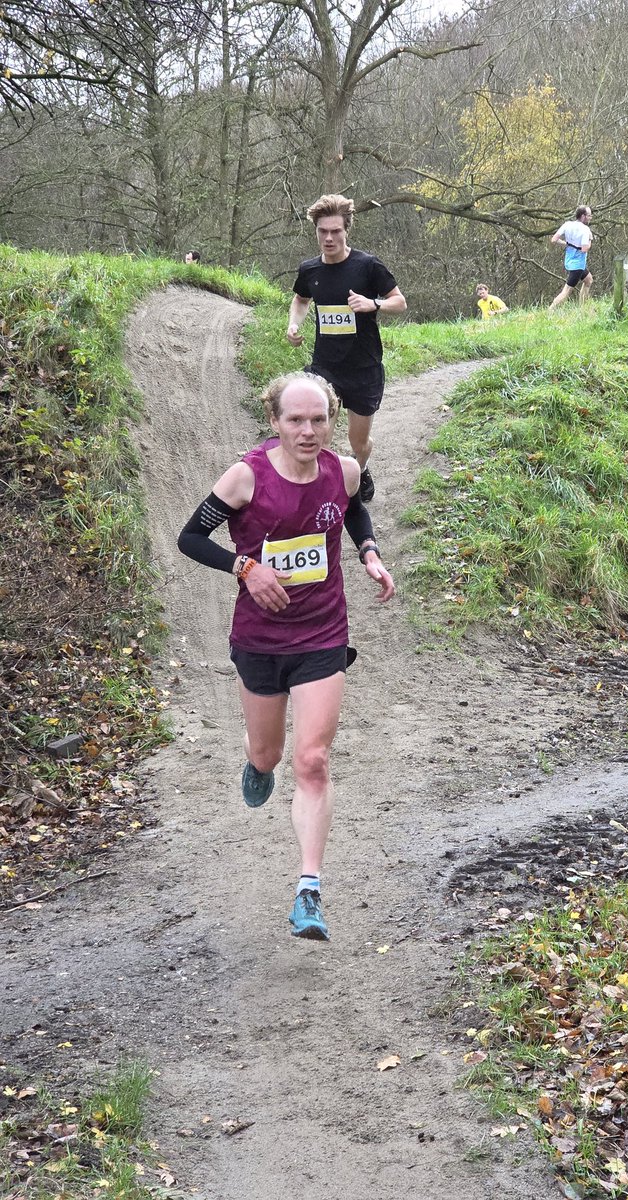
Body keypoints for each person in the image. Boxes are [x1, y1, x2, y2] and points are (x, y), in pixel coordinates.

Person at [177, 372, 394, 943]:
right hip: (261, 640)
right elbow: (190, 539)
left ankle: (308, 890)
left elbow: (352, 511)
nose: (308, 430)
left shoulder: (343, 469)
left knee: (314, 760)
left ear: (331, 419)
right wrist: (245, 569)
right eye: (296, 420)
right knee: (271, 755)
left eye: (319, 419)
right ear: (275, 423)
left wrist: (369, 554)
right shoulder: (247, 477)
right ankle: (256, 762)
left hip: (323, 634)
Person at [286, 194, 406, 505]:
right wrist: (294, 325)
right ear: (316, 231)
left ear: (346, 230)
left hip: (363, 368)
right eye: (322, 231)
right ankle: (316, 489)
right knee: (318, 433)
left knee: (359, 441)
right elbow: (300, 299)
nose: (329, 238)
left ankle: (360, 469)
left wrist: (372, 303)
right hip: (325, 367)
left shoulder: (367, 266)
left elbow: (399, 301)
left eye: (335, 231)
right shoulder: (310, 270)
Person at [549, 205, 593, 309]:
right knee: (566, 292)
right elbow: (584, 249)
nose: (590, 218)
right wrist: (590, 240)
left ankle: (583, 307)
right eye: (589, 215)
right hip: (577, 265)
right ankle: (550, 310)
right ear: (583, 216)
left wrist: (566, 243)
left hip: (570, 261)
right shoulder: (585, 230)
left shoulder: (567, 224)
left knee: (589, 280)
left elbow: (554, 239)